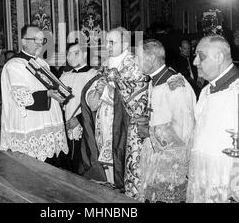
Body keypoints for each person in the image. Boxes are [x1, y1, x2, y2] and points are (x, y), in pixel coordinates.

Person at [79, 27, 149, 192]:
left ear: (125, 44)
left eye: (112, 42)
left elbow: (136, 98)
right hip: (103, 122)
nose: (107, 46)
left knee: (123, 164)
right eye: (106, 42)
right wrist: (96, 91)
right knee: (107, 166)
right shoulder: (105, 64)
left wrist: (108, 91)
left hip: (125, 127)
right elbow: (95, 95)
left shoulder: (135, 64)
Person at [135, 39, 196, 202]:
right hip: (156, 155)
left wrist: (150, 131)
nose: (136, 63)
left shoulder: (175, 84)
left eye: (139, 58)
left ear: (152, 58)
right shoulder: (154, 80)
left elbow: (183, 128)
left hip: (171, 162)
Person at [0, 25, 69, 167]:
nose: (40, 43)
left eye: (42, 40)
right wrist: (48, 94)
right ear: (23, 41)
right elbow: (23, 98)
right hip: (30, 125)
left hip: (49, 122)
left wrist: (61, 92)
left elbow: (50, 88)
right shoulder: (14, 65)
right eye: (35, 39)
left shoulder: (43, 63)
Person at [187, 35, 239, 203]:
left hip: (227, 180)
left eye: (200, 56)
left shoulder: (236, 91)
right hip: (203, 176)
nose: (195, 62)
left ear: (219, 57)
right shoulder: (205, 91)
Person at [59, 42, 97, 172]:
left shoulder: (94, 75)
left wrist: (79, 119)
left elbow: (96, 105)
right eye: (69, 54)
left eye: (76, 53)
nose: (71, 57)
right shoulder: (65, 76)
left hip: (83, 125)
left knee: (81, 163)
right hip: (65, 124)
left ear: (85, 54)